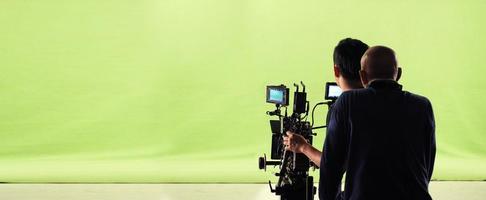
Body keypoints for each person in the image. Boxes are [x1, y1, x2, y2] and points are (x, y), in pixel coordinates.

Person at [319, 46, 436, 200]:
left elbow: (331, 165)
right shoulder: (422, 106)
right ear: (399, 74)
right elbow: (427, 162)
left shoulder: (347, 102)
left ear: (362, 76)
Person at [283, 38, 369, 166]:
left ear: (336, 70)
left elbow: (333, 165)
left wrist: (302, 147)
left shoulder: (341, 109)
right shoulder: (387, 103)